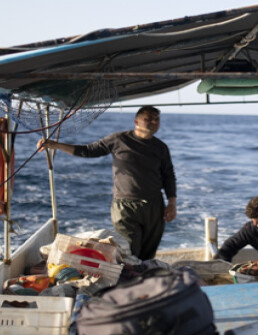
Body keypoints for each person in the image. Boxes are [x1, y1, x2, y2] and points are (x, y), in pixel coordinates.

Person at [37, 106, 176, 260]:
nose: (153, 122)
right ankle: (128, 280)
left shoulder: (161, 148)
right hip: (125, 206)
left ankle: (144, 280)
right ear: (136, 121)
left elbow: (168, 175)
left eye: (156, 119)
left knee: (148, 252)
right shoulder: (119, 140)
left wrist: (172, 203)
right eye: (148, 119)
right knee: (130, 250)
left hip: (154, 205)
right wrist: (55, 144)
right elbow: (89, 150)